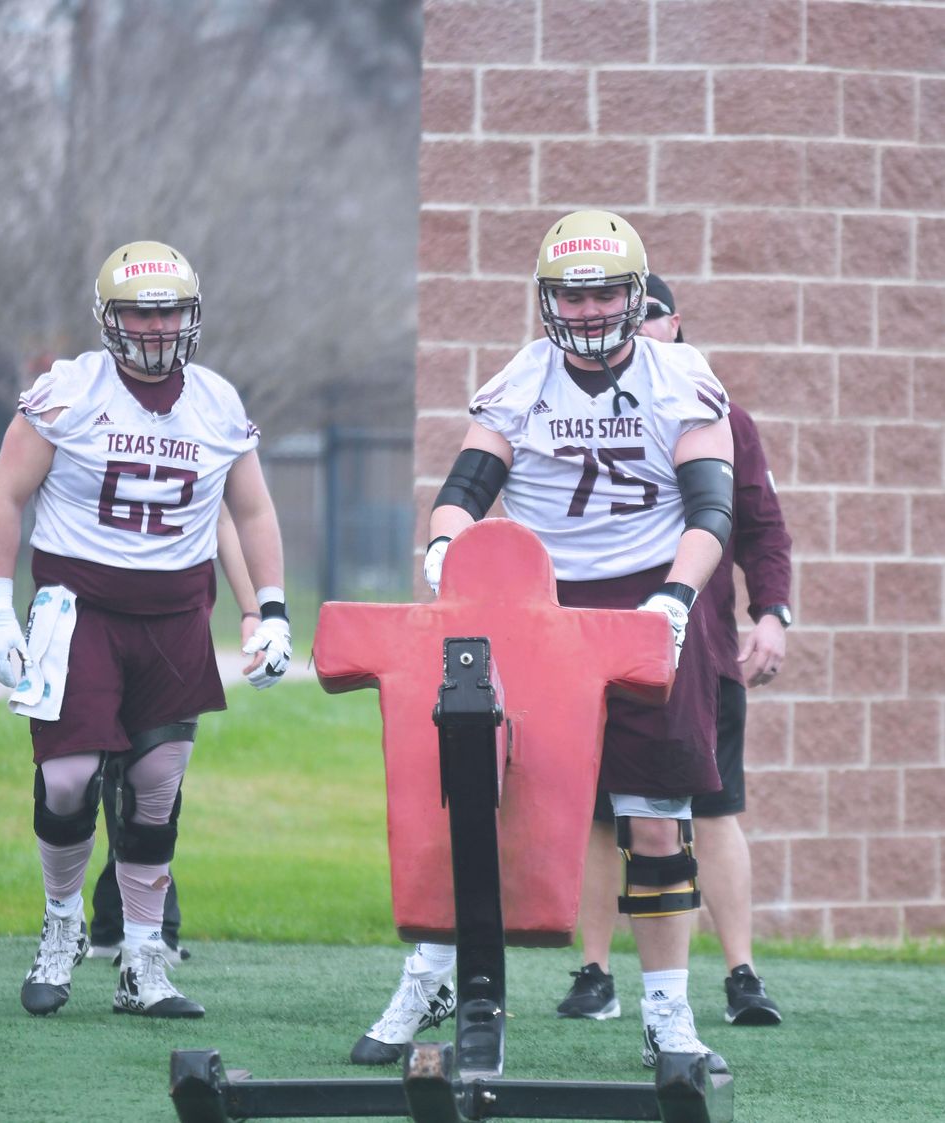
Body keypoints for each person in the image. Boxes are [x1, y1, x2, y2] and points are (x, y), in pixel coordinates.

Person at [351, 211, 734, 1073]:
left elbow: (713, 509)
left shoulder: (683, 377)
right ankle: (434, 976)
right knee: (474, 798)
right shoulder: (524, 379)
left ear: (636, 297)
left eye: (605, 292)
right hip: (539, 611)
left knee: (657, 822)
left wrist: (674, 596)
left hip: (652, 598)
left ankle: (667, 1016)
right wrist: (447, 549)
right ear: (547, 298)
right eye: (573, 292)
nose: (590, 308)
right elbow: (463, 489)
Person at [0, 239, 291, 1019]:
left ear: (192, 316)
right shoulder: (71, 392)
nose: (154, 327)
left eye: (168, 312)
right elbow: (4, 497)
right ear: (109, 318)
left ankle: (143, 959)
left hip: (176, 612)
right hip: (77, 605)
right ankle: (61, 925)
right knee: (68, 777)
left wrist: (273, 608)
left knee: (157, 786)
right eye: (139, 312)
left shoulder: (215, 401)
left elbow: (250, 509)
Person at [557, 274, 790, 1027]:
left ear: (671, 322)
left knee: (711, 810)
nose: (633, 327)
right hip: (596, 647)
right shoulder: (568, 406)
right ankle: (593, 970)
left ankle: (740, 972)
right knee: (599, 815)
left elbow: (760, 527)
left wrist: (773, 614)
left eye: (648, 315)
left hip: (699, 648)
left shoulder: (719, 413)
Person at [86, 503, 262, 963]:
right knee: (98, 765)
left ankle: (132, 925)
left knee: (152, 771)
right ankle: (121, 923)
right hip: (100, 602)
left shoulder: (204, 433)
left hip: (170, 613)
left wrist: (254, 609)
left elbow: (224, 515)